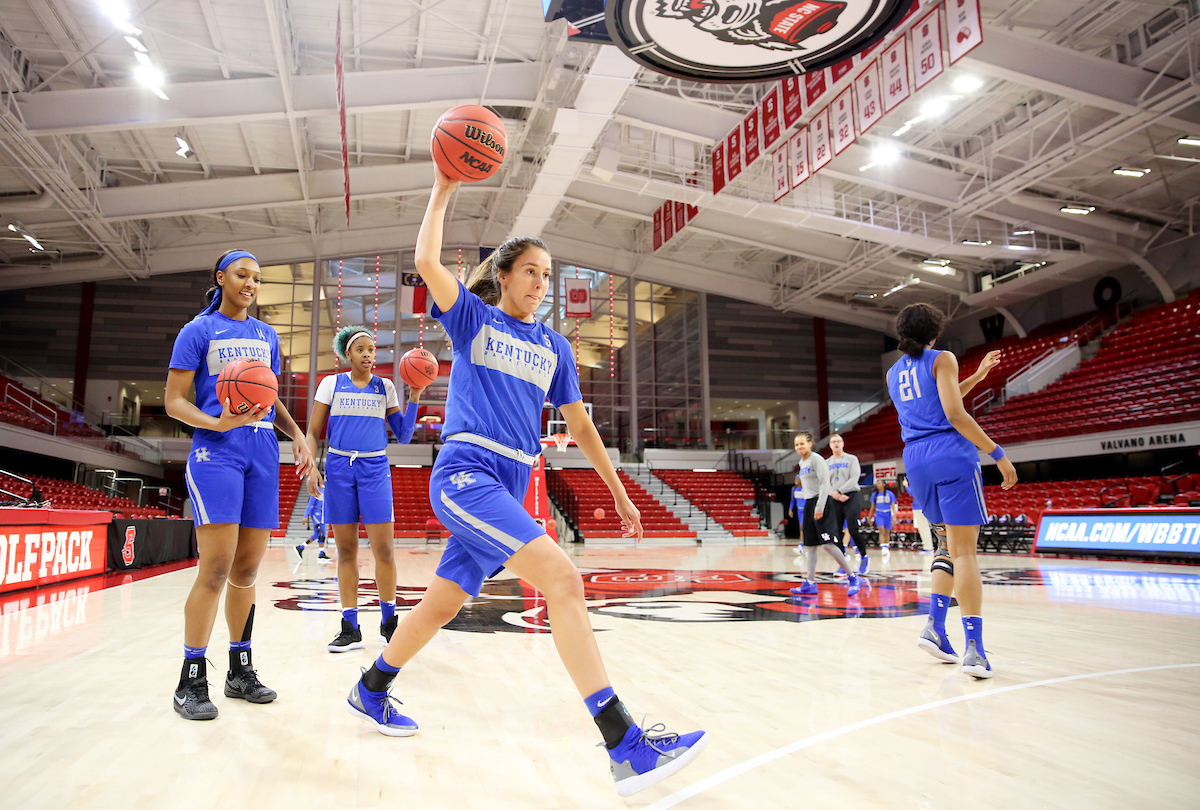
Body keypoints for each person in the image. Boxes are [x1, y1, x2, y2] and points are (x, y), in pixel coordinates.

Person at [341, 169, 707, 797]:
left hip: (510, 482)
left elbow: (583, 428)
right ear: (503, 275)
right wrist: (444, 184)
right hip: (466, 474)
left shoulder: (557, 349)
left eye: (547, 274)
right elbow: (427, 259)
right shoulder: (474, 320)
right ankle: (624, 744)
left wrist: (617, 491)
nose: (541, 283)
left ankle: (370, 689)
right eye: (530, 271)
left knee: (442, 603)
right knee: (564, 579)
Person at [166, 249, 318, 720]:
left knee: (248, 572)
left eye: (256, 277)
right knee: (214, 569)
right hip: (217, 452)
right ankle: (190, 679)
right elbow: (173, 402)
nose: (250, 283)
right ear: (221, 277)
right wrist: (216, 423)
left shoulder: (267, 335)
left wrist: (298, 435)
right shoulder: (197, 331)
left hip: (261, 454)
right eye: (241, 275)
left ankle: (240, 669)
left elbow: (269, 399)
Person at [887, 304, 1014, 679]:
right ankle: (974, 650)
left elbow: (938, 402)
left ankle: (935, 627)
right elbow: (955, 414)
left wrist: (976, 376)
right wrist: (998, 453)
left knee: (945, 547)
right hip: (949, 454)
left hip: (915, 460)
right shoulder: (942, 357)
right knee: (965, 553)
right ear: (935, 332)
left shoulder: (895, 372)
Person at [305, 326, 423, 652]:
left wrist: (414, 395)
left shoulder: (386, 387)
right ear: (348, 354)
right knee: (346, 552)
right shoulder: (331, 384)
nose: (369, 355)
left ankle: (389, 623)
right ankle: (349, 626)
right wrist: (312, 465)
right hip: (340, 469)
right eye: (362, 349)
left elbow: (404, 434)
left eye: (372, 349)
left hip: (374, 469)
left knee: (383, 550)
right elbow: (313, 431)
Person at [787, 431, 861, 597]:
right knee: (810, 545)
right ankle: (810, 583)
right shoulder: (802, 462)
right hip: (808, 503)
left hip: (821, 502)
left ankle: (853, 577)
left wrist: (820, 506)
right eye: (796, 445)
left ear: (810, 444)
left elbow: (825, 484)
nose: (799, 447)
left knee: (827, 544)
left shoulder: (817, 459)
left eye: (802, 444)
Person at [826, 433, 869, 573]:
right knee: (836, 531)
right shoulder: (827, 463)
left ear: (843, 443)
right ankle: (842, 562)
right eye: (833, 442)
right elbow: (825, 482)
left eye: (838, 441)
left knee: (853, 528)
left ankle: (863, 556)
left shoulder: (852, 459)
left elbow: (854, 478)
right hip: (835, 498)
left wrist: (840, 491)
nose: (836, 444)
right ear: (830, 445)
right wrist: (836, 494)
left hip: (850, 496)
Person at [297, 491, 331, 561]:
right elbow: (310, 504)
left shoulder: (326, 490)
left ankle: (301, 547)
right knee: (321, 532)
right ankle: (321, 553)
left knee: (318, 533)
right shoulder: (316, 491)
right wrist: (305, 516)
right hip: (316, 511)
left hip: (322, 512)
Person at [870, 480, 898, 551]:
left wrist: (894, 516)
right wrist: (869, 517)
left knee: (887, 531)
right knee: (881, 529)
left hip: (887, 513)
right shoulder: (874, 495)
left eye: (880, 483)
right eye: (877, 483)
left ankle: (886, 545)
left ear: (884, 485)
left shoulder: (889, 494)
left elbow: (893, 506)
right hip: (879, 513)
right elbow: (872, 507)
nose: (878, 485)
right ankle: (882, 546)